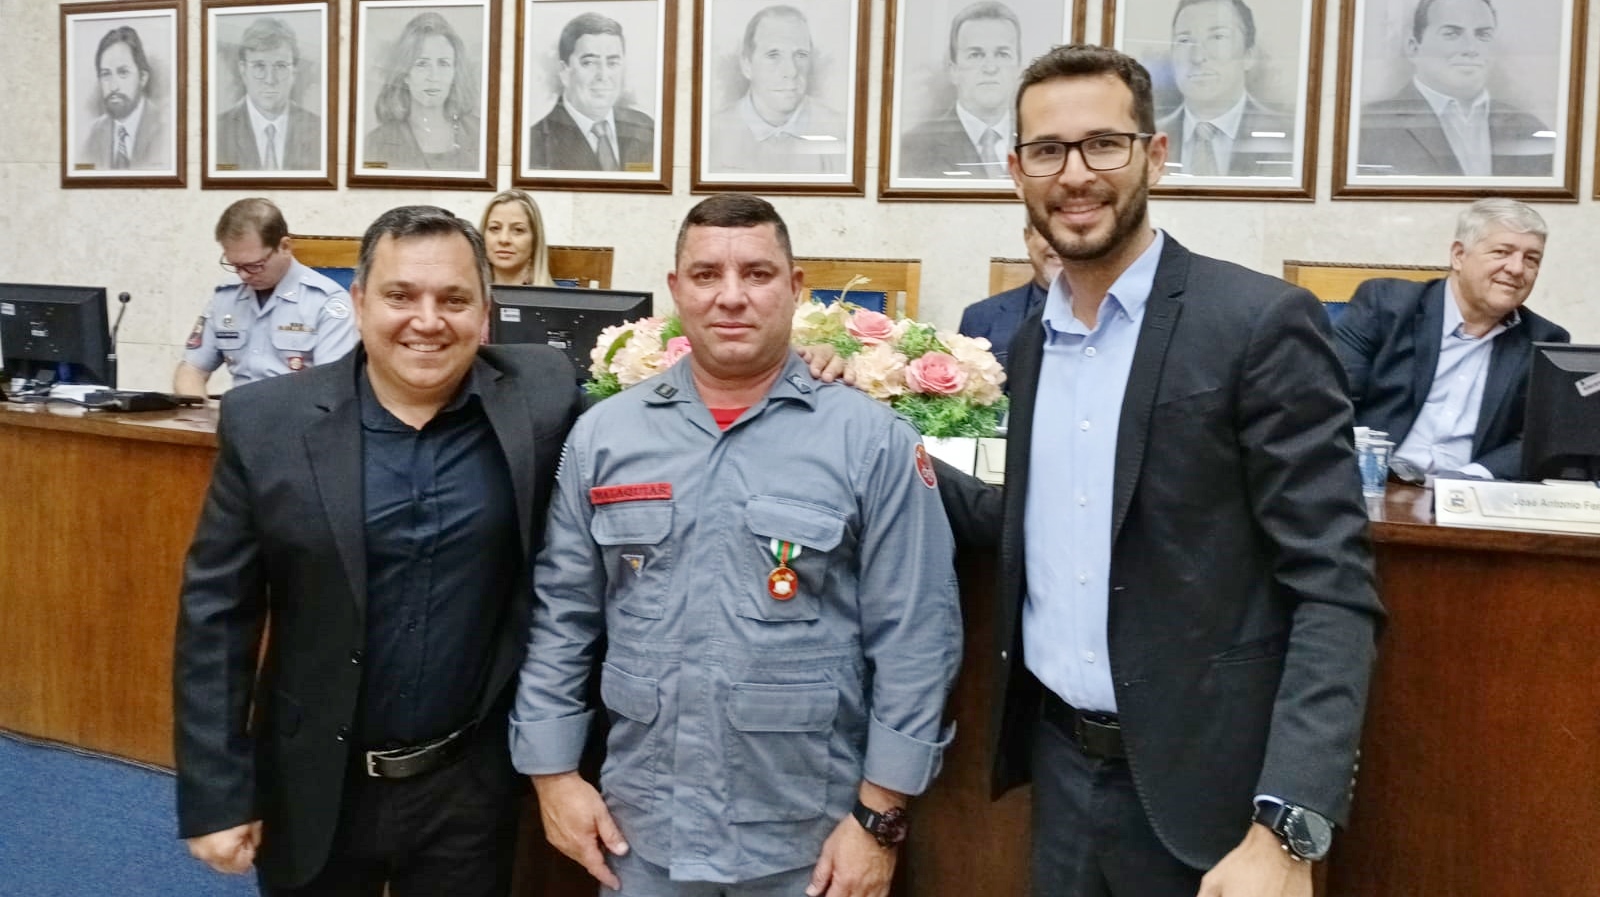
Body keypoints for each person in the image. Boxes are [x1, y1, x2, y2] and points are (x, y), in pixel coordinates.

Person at [934, 44, 1383, 896]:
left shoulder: (1256, 324)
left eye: (1104, 143)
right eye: (1048, 150)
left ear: (1156, 155)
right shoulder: (1030, 346)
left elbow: (1333, 589)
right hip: (1060, 776)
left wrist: (1288, 827)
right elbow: (1042, 521)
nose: (1076, 174)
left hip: (1217, 805)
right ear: (1017, 171)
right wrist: (892, 453)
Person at [510, 193, 961, 896]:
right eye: (705, 274)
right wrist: (552, 773)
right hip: (642, 831)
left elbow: (917, 637)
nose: (730, 296)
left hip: (811, 841)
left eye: (756, 273)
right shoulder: (607, 435)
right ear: (675, 289)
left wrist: (879, 818)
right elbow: (562, 615)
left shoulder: (870, 441)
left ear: (795, 287)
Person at [173, 205, 583, 895]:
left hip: (469, 787)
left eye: (454, 299)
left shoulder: (542, 392)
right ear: (359, 303)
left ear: (485, 313)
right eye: (400, 295)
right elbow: (216, 616)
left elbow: (656, 418)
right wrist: (215, 791)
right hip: (314, 780)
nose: (428, 320)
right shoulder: (267, 422)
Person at [1334, 198, 1568, 481]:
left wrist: (1469, 479)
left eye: (1531, 259)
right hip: (1374, 484)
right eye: (1502, 252)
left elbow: (1538, 440)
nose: (1517, 269)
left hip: (1473, 493)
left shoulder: (1544, 341)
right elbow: (1331, 403)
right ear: (1459, 255)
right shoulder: (1387, 306)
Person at [174, 198, 358, 396]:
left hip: (297, 414)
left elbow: (333, 390)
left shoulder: (327, 302)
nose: (243, 275)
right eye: (235, 266)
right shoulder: (226, 296)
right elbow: (191, 370)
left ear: (285, 247)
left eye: (254, 265)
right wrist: (197, 410)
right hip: (236, 412)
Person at [1358, 0, 1552, 177]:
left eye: (1483, 35)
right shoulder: (1368, 128)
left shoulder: (1528, 128)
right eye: (1452, 34)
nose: (1471, 48)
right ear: (1413, 48)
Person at [1155, 0, 1294, 178]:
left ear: (1248, 55)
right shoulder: (1150, 137)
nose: (1197, 57)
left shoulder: (1290, 136)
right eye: (1184, 40)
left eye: (1217, 38)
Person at [707, 5, 847, 175]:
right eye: (773, 55)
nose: (791, 71)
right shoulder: (711, 133)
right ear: (746, 65)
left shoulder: (841, 130)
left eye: (801, 55)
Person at [899, 1, 1021, 179]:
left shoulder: (1037, 139)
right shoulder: (912, 148)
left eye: (1002, 54)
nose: (990, 68)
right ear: (953, 70)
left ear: (1018, 68)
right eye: (975, 55)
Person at [528, 12, 655, 172]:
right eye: (589, 63)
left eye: (612, 63)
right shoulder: (535, 143)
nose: (603, 75)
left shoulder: (647, 129)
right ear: (564, 71)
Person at [362, 11, 480, 172]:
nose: (434, 77)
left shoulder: (480, 133)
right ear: (405, 73)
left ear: (455, 72)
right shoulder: (377, 143)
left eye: (443, 64)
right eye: (422, 64)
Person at [215, 17, 322, 172]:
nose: (270, 80)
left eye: (280, 66)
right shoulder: (217, 131)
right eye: (259, 66)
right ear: (243, 70)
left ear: (294, 71)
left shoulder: (319, 130)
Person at [957, 216, 1059, 378]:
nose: (1060, 242)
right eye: (1047, 230)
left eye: (1076, 230)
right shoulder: (980, 318)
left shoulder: (1104, 318)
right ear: (1028, 237)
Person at [78, 25, 172, 170]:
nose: (113, 86)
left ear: (143, 78)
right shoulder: (94, 135)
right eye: (106, 74)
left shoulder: (166, 128)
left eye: (123, 73)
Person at [479, 189, 555, 287]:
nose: (504, 239)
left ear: (535, 241)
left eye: (518, 230)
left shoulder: (559, 296)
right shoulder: (466, 293)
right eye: (495, 228)